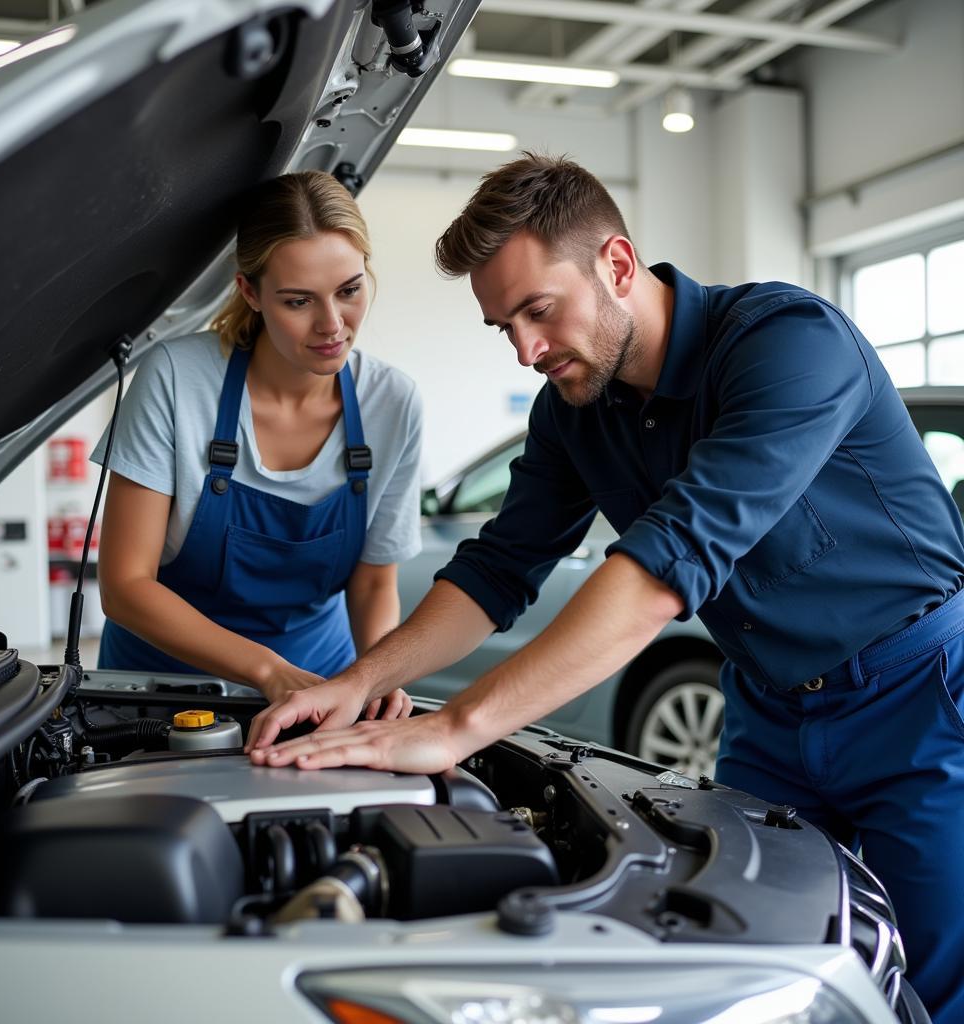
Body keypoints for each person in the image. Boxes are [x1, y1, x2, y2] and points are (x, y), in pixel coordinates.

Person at [243, 154, 964, 1022]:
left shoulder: (788, 345)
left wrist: (455, 730)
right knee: (754, 971)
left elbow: (670, 564)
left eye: (538, 311)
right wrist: (354, 685)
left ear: (617, 265)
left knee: (931, 984)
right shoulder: (574, 412)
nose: (526, 350)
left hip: (922, 703)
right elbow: (498, 569)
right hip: (769, 714)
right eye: (502, 326)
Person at [92, 170, 420, 717]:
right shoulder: (176, 379)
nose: (332, 325)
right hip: (158, 695)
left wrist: (376, 675)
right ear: (250, 291)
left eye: (349, 290)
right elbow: (125, 585)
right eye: (298, 301)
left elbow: (372, 583)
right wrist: (268, 672)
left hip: (320, 683)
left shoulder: (392, 401)